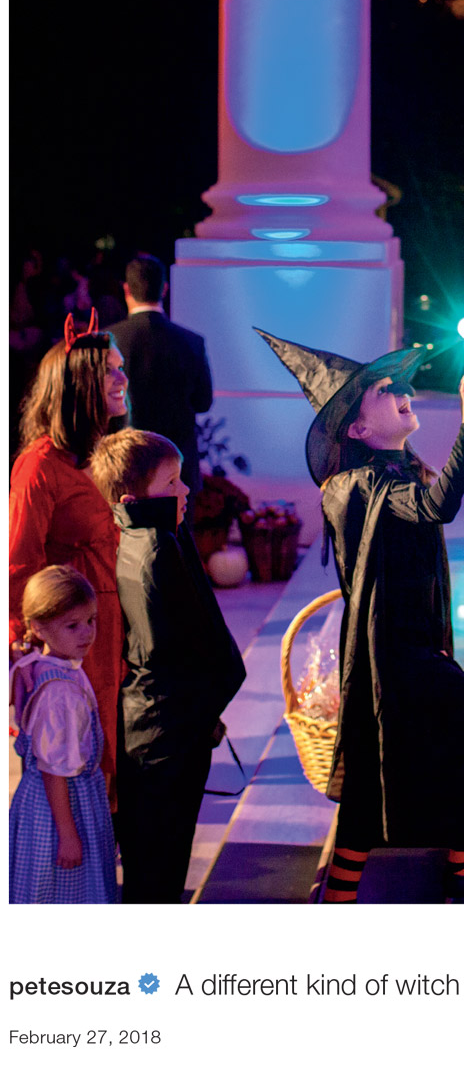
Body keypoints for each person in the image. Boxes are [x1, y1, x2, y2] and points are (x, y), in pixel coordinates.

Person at [257, 328, 464, 901]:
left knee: (388, 764)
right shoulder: (354, 485)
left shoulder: (392, 471)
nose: (400, 389)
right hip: (389, 655)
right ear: (358, 429)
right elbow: (439, 506)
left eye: (399, 383)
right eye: (383, 390)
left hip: (412, 647)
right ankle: (456, 860)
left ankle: (457, 859)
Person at [89, 428, 245, 903]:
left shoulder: (139, 535)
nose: (186, 491)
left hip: (155, 725)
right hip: (165, 734)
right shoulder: (157, 551)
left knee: (153, 861)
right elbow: (174, 653)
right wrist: (202, 710)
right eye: (172, 483)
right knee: (160, 865)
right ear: (135, 496)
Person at [9, 311, 129, 804]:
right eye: (110, 371)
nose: (123, 379)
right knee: (80, 757)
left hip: (117, 623)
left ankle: (106, 860)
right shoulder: (39, 467)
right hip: (74, 634)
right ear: (78, 385)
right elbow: (18, 565)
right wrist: (32, 650)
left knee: (116, 750)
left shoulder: (105, 452)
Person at [9, 566, 118, 903]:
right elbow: (53, 770)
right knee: (63, 890)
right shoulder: (61, 695)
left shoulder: (42, 666)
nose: (87, 633)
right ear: (39, 627)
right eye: (73, 625)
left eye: (91, 620)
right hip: (62, 805)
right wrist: (68, 834)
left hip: (45, 802)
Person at [109, 255, 213, 496]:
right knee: (177, 532)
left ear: (126, 289)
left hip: (126, 465)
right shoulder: (191, 342)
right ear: (164, 288)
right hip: (179, 467)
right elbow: (203, 402)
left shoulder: (111, 340)